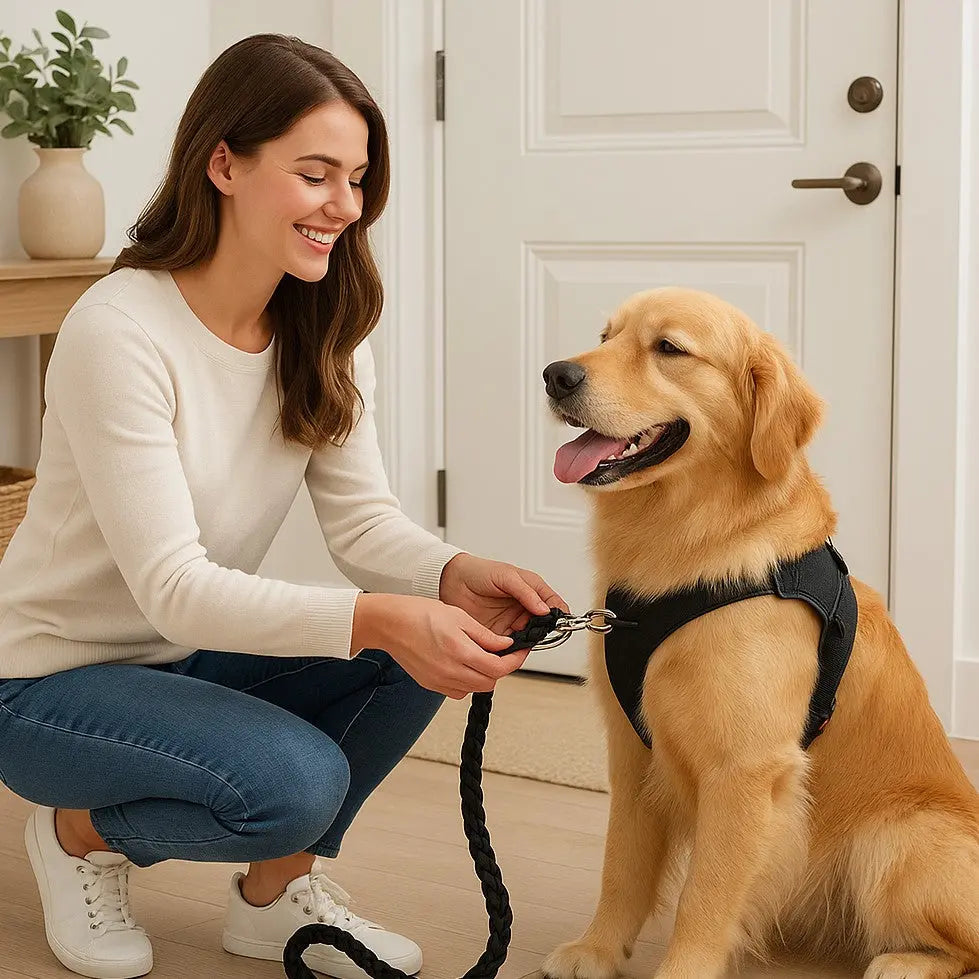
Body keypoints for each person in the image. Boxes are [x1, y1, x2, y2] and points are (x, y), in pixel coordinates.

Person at [0, 34, 567, 979]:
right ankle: (76, 834)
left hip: (179, 666)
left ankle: (274, 898)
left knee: (419, 650)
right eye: (315, 174)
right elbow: (176, 587)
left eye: (354, 178)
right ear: (223, 162)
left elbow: (362, 527)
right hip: (45, 687)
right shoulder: (120, 329)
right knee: (295, 780)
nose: (343, 206)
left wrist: (450, 575)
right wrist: (380, 615)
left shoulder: (322, 329)